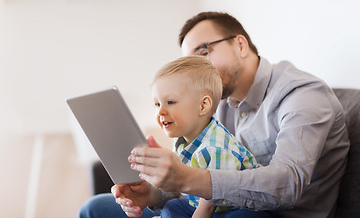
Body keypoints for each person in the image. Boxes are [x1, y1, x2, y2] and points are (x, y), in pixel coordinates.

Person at [79, 11, 349, 218]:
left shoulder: (302, 95)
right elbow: (202, 173)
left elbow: (287, 185)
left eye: (204, 52)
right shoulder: (215, 102)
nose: (197, 68)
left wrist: (186, 178)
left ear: (240, 45)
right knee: (95, 208)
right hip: (221, 208)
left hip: (273, 214)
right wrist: (154, 193)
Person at [151, 56, 259, 217]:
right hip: (211, 206)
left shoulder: (215, 147)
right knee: (172, 206)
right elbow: (186, 192)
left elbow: (208, 205)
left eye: (171, 102)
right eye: (157, 104)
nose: (160, 112)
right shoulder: (181, 142)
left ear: (203, 106)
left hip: (241, 207)